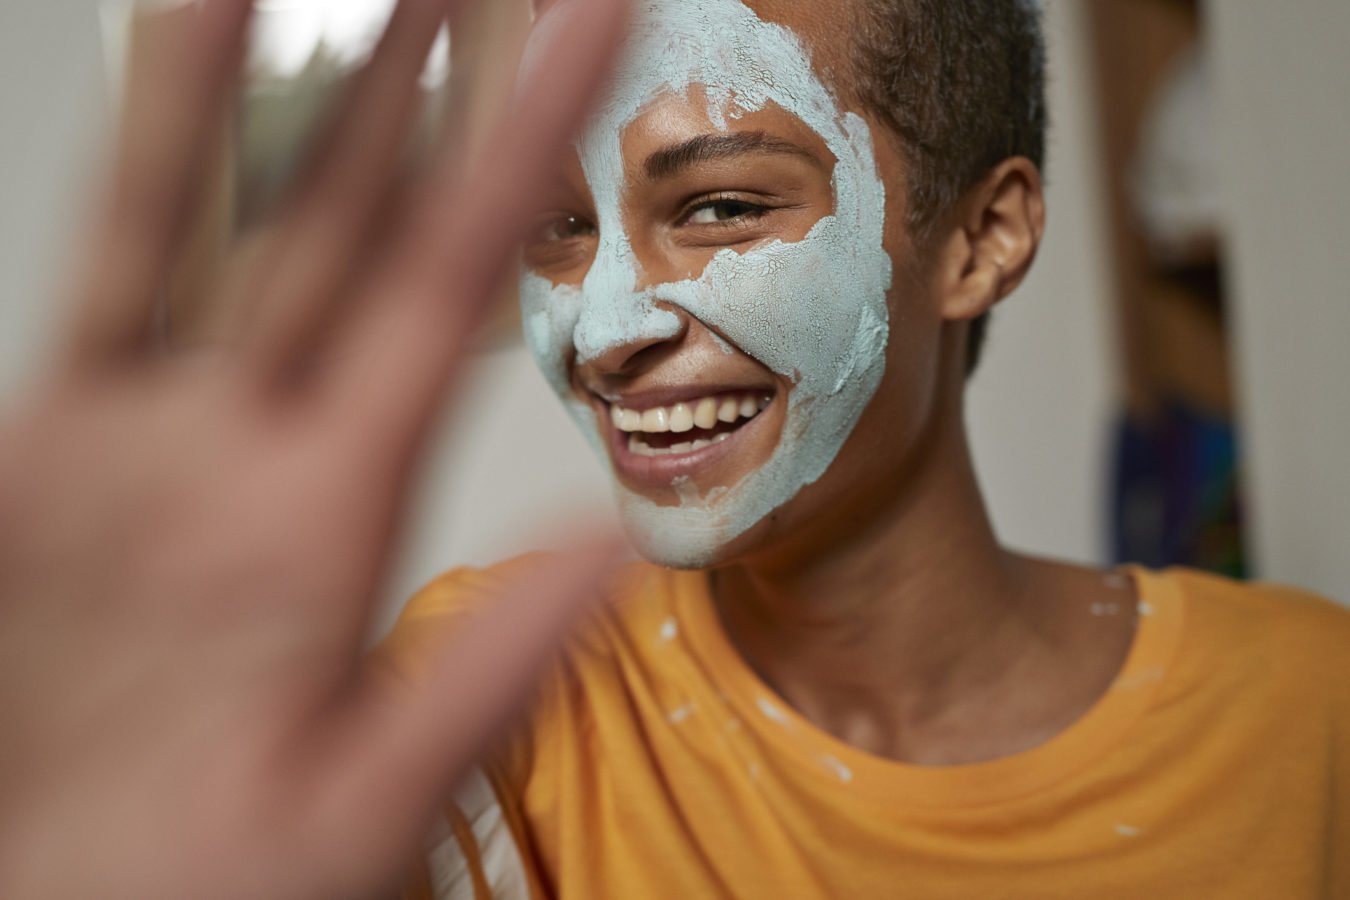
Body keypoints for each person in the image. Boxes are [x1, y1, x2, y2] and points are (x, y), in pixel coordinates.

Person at [0, 2, 1345, 900]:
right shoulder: (493, 715)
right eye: (555, 227)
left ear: (980, 240)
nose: (600, 330)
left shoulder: (1310, 718)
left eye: (715, 206)